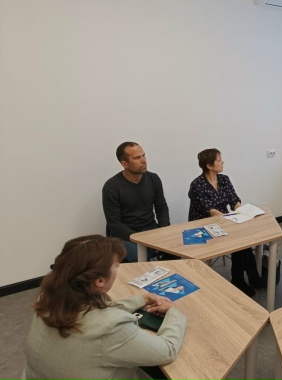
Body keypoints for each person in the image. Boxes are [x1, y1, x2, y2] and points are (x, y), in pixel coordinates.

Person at [22, 235, 187, 380]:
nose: (118, 267)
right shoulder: (111, 327)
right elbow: (167, 350)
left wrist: (141, 299)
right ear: (99, 281)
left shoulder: (47, 298)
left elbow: (96, 312)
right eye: (116, 265)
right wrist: (174, 312)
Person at [188, 148, 265, 297]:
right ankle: (244, 277)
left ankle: (245, 276)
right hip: (204, 226)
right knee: (238, 240)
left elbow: (234, 201)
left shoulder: (224, 179)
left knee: (242, 239)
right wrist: (233, 220)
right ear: (209, 166)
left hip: (224, 221)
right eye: (219, 160)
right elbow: (211, 211)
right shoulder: (197, 185)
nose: (222, 162)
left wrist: (242, 213)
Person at [103, 142, 170, 262]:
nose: (144, 161)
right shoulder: (112, 187)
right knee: (138, 255)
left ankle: (163, 270)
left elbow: (161, 207)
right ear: (124, 164)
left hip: (150, 229)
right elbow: (114, 223)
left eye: (144, 155)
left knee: (176, 247)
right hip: (126, 236)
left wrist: (163, 232)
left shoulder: (153, 178)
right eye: (137, 158)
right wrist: (142, 240)